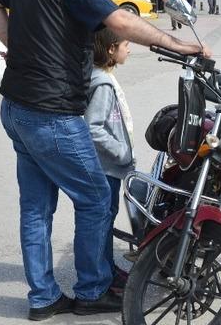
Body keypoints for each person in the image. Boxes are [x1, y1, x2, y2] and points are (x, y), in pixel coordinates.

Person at [0, 0, 209, 321]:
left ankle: (43, 297)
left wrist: (19, 47)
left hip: (16, 108)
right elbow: (119, 21)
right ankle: (92, 288)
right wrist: (176, 45)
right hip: (51, 113)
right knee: (96, 196)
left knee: (35, 208)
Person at [85, 28, 134, 296]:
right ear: (111, 49)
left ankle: (107, 268)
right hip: (106, 166)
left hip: (108, 165)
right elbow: (94, 128)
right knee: (103, 220)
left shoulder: (103, 77)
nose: (130, 49)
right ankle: (102, 275)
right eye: (126, 44)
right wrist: (122, 153)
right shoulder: (102, 82)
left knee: (107, 219)